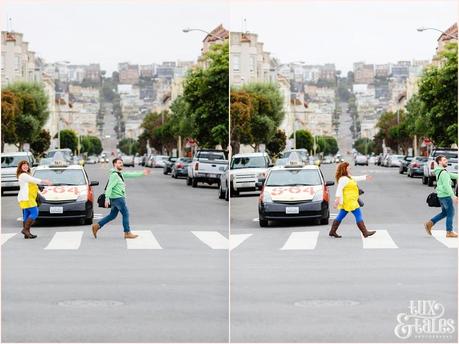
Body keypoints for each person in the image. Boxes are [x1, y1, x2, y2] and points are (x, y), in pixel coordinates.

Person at [92, 157, 150, 239]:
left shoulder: (119, 174)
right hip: (118, 198)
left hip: (115, 198)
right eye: (119, 163)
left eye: (121, 163)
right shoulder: (114, 175)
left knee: (112, 215)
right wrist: (107, 199)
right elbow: (109, 187)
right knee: (125, 214)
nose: (121, 164)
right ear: (114, 164)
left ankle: (97, 226)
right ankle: (127, 232)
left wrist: (142, 173)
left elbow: (131, 175)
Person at [329, 161, 376, 238]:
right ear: (345, 168)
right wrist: (337, 201)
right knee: (358, 214)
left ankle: (332, 231)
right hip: (349, 201)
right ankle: (365, 232)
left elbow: (355, 178)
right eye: (348, 167)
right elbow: (339, 190)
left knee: (341, 216)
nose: (350, 167)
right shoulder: (343, 179)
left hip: (349, 200)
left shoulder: (348, 177)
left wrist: (365, 177)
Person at [16, 160, 52, 239]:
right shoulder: (23, 175)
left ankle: (27, 233)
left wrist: (38, 186)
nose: (25, 166)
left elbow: (31, 182)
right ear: (20, 167)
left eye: (27, 165)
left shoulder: (26, 175)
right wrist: (44, 181)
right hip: (27, 198)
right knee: (34, 213)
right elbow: (33, 180)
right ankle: (25, 230)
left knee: (26, 215)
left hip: (26, 198)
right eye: (23, 165)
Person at [424, 155, 458, 238]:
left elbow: (451, 175)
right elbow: (447, 186)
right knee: (450, 213)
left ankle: (429, 223)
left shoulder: (439, 171)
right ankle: (449, 232)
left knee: (444, 213)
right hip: (446, 196)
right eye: (444, 160)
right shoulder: (443, 173)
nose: (446, 161)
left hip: (441, 196)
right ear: (439, 162)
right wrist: (453, 196)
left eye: (446, 159)